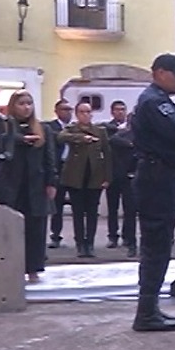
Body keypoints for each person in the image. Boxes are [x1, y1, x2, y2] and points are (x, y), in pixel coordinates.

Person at [130, 53, 175, 332]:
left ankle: (149, 308)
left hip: (159, 176)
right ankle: (146, 311)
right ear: (159, 73)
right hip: (157, 179)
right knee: (157, 246)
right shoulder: (155, 102)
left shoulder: (156, 100)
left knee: (158, 244)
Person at [0, 90, 57, 284]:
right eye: (22, 103)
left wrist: (51, 182)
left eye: (29, 103)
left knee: (36, 229)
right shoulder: (4, 126)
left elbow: (50, 158)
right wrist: (20, 140)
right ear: (13, 106)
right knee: (11, 228)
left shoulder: (42, 129)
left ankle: (34, 269)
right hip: (11, 185)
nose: (26, 107)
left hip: (35, 186)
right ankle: (10, 267)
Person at [58, 102, 112, 258]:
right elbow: (61, 137)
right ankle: (80, 243)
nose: (85, 115)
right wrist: (81, 138)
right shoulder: (72, 129)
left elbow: (107, 154)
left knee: (92, 213)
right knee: (78, 213)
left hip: (94, 177)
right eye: (82, 112)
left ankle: (90, 243)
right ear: (77, 114)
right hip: (75, 177)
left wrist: (107, 177)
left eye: (88, 112)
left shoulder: (99, 131)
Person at [102, 101, 138, 257]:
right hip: (114, 174)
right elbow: (111, 139)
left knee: (130, 210)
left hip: (130, 176)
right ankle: (113, 236)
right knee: (113, 208)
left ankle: (128, 238)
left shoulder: (138, 136)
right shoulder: (115, 132)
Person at [47, 99, 73, 249]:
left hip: (73, 168)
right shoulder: (51, 127)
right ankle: (55, 235)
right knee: (57, 204)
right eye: (64, 109)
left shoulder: (76, 128)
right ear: (57, 111)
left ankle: (81, 239)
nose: (67, 112)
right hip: (59, 166)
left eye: (69, 109)